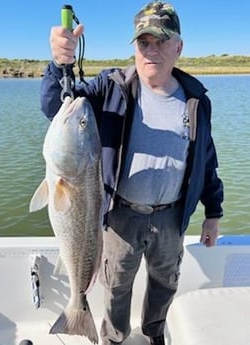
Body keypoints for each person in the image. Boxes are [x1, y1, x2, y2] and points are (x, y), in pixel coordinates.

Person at [40, 2, 224, 345]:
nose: (151, 50)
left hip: (172, 217)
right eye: (144, 42)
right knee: (117, 287)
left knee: (164, 284)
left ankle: (154, 335)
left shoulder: (196, 99)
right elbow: (56, 106)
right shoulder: (110, 87)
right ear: (135, 46)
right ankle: (113, 339)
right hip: (122, 216)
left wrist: (213, 212)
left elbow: (206, 160)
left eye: (161, 41)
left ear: (178, 47)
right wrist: (58, 63)